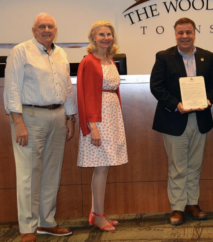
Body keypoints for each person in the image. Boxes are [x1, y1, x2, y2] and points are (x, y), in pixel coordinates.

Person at [3, 13, 76, 242]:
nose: (47, 29)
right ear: (34, 30)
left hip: (57, 115)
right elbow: (12, 88)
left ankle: (47, 222)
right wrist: (18, 123)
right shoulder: (20, 51)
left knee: (51, 173)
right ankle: (27, 227)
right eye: (42, 26)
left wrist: (70, 117)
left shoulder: (61, 53)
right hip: (30, 117)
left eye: (50, 26)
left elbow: (67, 86)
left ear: (56, 30)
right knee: (29, 174)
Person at [150, 17, 213, 226]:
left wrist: (209, 99)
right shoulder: (164, 57)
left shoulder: (207, 57)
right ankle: (178, 207)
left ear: (194, 33)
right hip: (174, 118)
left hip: (200, 119)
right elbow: (157, 86)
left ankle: (192, 203)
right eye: (180, 33)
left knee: (195, 165)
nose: (185, 36)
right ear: (175, 34)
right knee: (178, 166)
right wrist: (175, 104)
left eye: (188, 32)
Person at [77, 20, 128, 232]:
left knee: (104, 168)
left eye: (109, 34)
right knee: (100, 169)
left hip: (112, 117)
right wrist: (92, 127)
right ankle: (97, 216)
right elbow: (85, 94)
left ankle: (96, 211)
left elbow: (113, 92)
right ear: (93, 38)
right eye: (101, 34)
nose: (106, 37)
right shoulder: (88, 61)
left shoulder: (110, 60)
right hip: (98, 119)